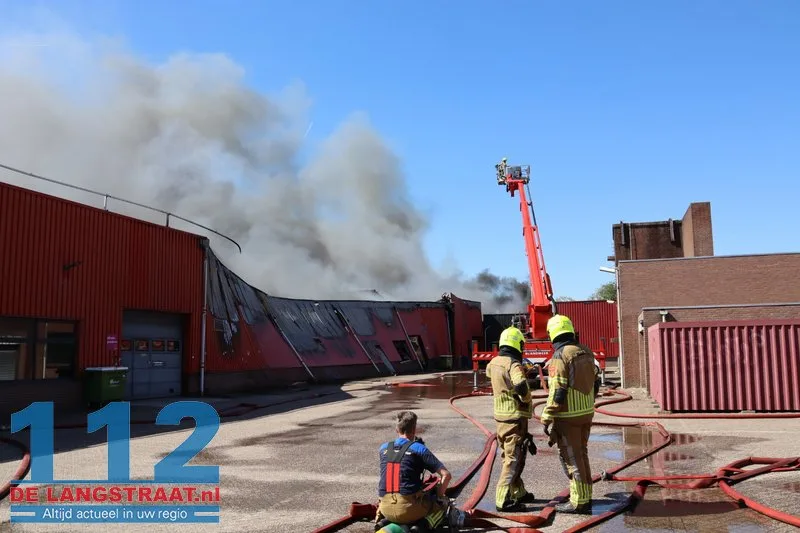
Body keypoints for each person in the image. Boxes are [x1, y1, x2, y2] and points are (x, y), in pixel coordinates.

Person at [540, 314, 601, 514]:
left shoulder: (560, 356)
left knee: (571, 458)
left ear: (553, 334)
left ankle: (580, 502)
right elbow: (596, 382)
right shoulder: (586, 351)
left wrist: (547, 416)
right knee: (582, 455)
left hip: (568, 417)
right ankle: (585, 496)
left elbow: (558, 390)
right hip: (586, 412)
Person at [375, 411, 466, 532]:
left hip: (385, 508)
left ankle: (384, 522)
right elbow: (446, 475)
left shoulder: (383, 448)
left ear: (397, 429)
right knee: (441, 505)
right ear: (414, 429)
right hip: (409, 510)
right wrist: (439, 497)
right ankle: (421, 527)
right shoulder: (418, 448)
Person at [485, 325, 537, 512]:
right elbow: (520, 385)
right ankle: (502, 499)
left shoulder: (493, 363)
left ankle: (518, 492)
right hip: (515, 417)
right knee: (513, 459)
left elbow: (493, 377)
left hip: (501, 417)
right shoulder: (513, 364)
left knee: (511, 455)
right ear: (518, 345)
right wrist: (526, 397)